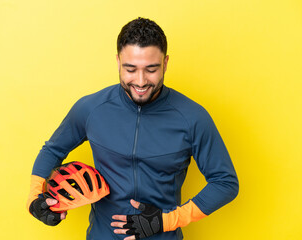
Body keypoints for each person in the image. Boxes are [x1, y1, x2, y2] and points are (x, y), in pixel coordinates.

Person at [27, 17, 239, 240]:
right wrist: (35, 198)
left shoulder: (192, 117)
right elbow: (53, 150)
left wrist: (167, 220)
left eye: (151, 69)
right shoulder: (91, 108)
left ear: (165, 63)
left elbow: (225, 182)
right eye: (130, 69)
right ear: (118, 61)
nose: (140, 81)